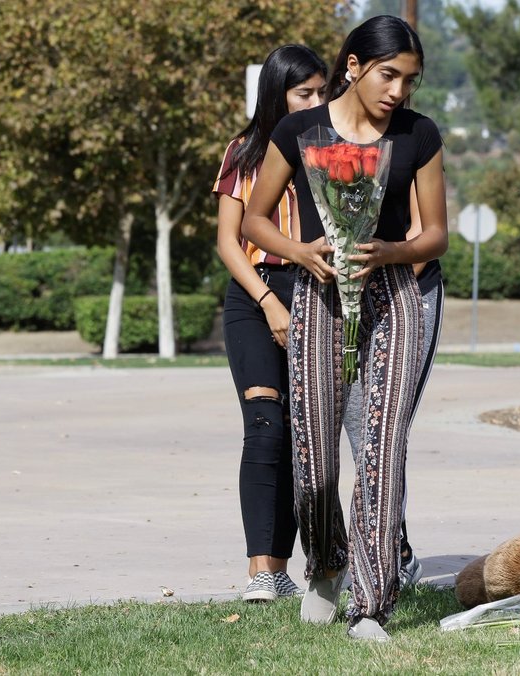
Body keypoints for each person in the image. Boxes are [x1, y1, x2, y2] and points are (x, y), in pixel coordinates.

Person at [241, 15, 448, 641]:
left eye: (409, 81)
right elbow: (254, 221)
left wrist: (392, 251)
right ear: (353, 66)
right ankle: (326, 567)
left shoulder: (419, 134)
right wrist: (300, 252)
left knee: (384, 447)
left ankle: (370, 603)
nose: (398, 92)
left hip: (395, 296)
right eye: (389, 75)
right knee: (316, 458)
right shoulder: (296, 129)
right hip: (319, 294)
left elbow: (437, 233)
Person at [212, 44, 329, 603]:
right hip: (255, 295)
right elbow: (228, 242)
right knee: (265, 425)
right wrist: (267, 302)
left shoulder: (332, 149)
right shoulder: (245, 150)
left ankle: (333, 561)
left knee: (313, 437)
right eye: (303, 92)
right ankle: (266, 572)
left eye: (321, 91)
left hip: (319, 293)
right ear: (276, 94)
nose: (315, 101)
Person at [341, 187, 444, 590]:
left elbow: (425, 229)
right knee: (357, 432)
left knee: (384, 431)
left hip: (408, 288)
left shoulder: (412, 136)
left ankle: (384, 558)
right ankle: (394, 548)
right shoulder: (325, 140)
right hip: (345, 298)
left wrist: (383, 285)